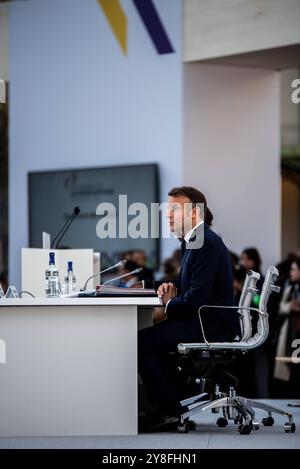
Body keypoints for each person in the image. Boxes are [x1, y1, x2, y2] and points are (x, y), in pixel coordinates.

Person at [138, 186, 240, 429]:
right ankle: (170, 407)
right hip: (200, 321)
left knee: (142, 342)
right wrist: (151, 286)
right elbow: (183, 285)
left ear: (194, 213)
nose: (168, 215)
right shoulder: (193, 240)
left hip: (209, 325)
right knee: (152, 341)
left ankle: (168, 411)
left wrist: (169, 304)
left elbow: (196, 298)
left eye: (175, 209)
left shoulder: (205, 243)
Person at [274, 258, 300, 392]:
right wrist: (290, 306)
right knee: (292, 364)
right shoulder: (290, 288)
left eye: (294, 269)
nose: (291, 272)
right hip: (291, 332)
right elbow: (281, 307)